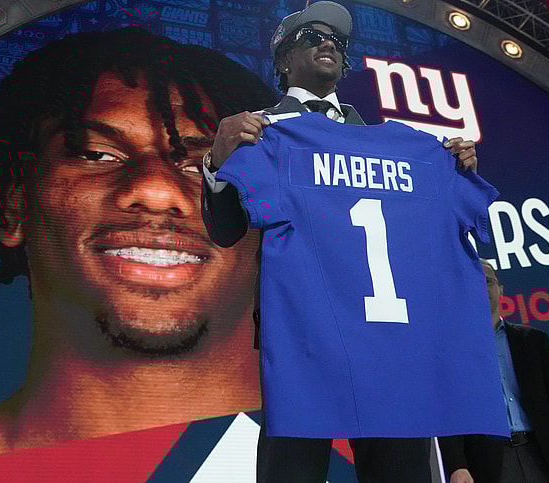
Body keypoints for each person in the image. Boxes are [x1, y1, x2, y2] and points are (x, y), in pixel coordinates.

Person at [0, 27, 276, 470]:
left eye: (206, 165)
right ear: (14, 209)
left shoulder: (368, 458)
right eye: (97, 154)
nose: (157, 190)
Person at [199, 2, 485, 482]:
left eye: (339, 41)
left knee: (400, 471)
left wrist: (451, 168)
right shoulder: (261, 129)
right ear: (284, 60)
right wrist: (217, 162)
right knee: (293, 470)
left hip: (386, 332)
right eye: (313, 35)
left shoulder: (391, 142)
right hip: (302, 332)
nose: (329, 43)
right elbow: (226, 232)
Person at [438, 261, 549, 483]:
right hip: (489, 463)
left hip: (543, 456)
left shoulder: (533, 342)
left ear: (500, 289)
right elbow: (450, 412)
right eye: (473, 281)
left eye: (488, 281)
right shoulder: (452, 349)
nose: (482, 287)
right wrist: (456, 466)